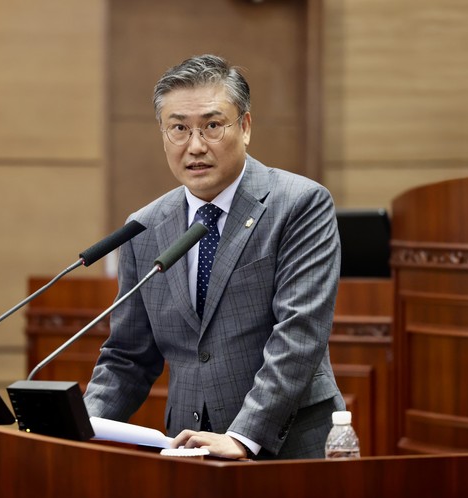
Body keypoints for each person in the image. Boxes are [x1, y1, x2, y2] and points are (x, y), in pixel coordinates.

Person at [83, 54, 344, 460]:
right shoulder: (144, 228)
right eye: (179, 128)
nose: (195, 146)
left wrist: (243, 435)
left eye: (212, 126)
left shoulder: (300, 204)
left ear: (245, 127)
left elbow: (299, 334)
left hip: (288, 449)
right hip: (189, 450)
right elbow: (128, 357)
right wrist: (80, 425)